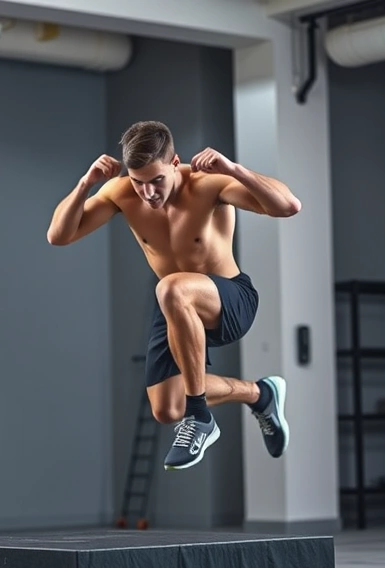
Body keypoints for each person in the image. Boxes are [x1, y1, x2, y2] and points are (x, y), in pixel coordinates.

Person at [46, 120, 301, 471]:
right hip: (175, 309)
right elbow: (59, 236)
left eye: (157, 181)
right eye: (139, 183)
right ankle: (260, 394)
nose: (148, 193)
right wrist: (85, 184)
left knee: (169, 287)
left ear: (174, 162)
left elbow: (288, 206)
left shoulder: (207, 184)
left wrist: (233, 168)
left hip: (229, 301)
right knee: (166, 408)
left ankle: (200, 418)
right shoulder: (120, 192)